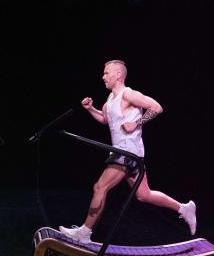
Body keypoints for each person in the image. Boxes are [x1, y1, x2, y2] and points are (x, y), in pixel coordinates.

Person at [59, 59, 197, 244]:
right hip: (126, 152)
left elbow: (156, 107)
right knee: (144, 195)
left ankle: (84, 232)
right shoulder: (110, 99)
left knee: (100, 187)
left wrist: (136, 123)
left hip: (127, 152)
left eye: (106, 73)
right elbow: (105, 120)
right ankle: (183, 208)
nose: (103, 77)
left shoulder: (128, 94)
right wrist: (90, 109)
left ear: (118, 75)